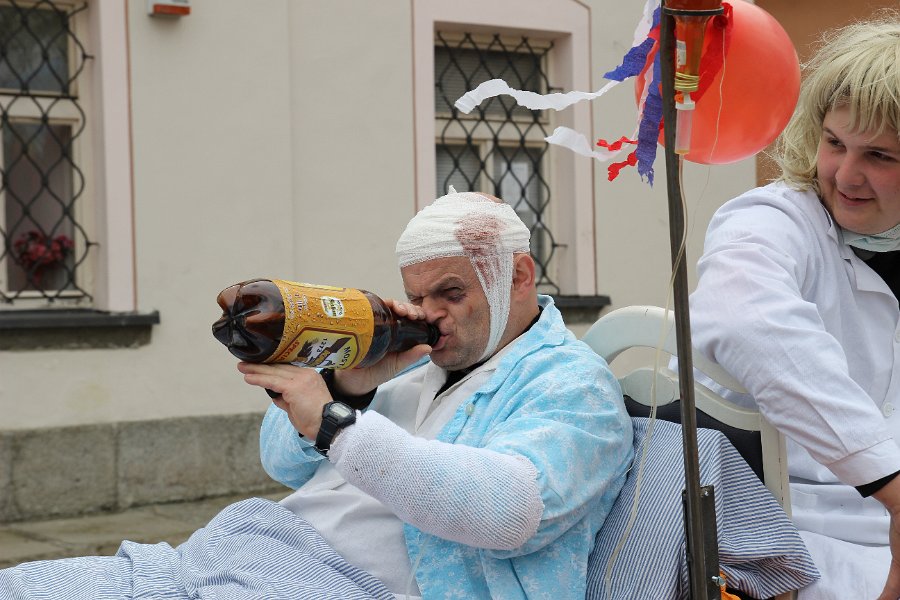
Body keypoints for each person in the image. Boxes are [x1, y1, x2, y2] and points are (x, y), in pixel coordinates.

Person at [0, 188, 634, 600]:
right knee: (24, 586)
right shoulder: (417, 358)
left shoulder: (570, 384)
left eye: (451, 293)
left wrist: (334, 424)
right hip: (252, 555)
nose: (427, 313)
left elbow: (512, 512)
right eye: (415, 295)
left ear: (518, 275)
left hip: (341, 583)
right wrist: (349, 385)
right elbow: (283, 462)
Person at [685, 13, 900, 600]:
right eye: (835, 143)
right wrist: (888, 482)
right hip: (790, 538)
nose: (846, 175)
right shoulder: (773, 219)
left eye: (880, 156)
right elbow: (745, 320)